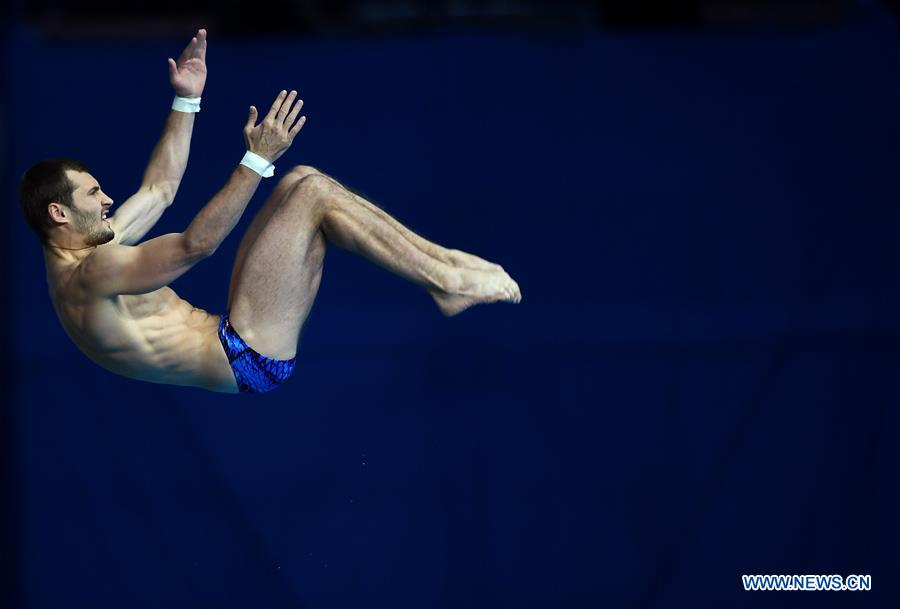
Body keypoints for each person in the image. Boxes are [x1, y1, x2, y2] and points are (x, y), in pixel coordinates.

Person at [18, 29, 521, 394]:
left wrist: (186, 101)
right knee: (311, 194)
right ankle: (446, 280)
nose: (108, 201)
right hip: (247, 353)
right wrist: (255, 160)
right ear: (59, 214)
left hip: (234, 332)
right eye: (94, 195)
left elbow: (160, 189)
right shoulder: (92, 273)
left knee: (303, 180)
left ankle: (447, 268)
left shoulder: (89, 250)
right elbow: (198, 245)